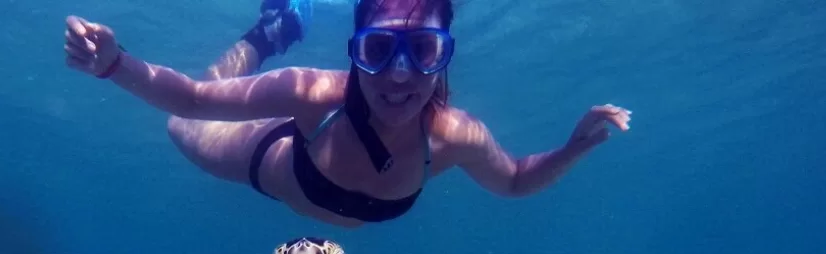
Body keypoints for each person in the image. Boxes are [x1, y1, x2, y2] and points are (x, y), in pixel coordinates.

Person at [63, 0, 632, 228]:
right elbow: (188, 98)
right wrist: (116, 65)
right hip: (269, 158)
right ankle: (269, 33)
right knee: (182, 120)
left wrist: (572, 148)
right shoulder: (313, 95)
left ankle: (275, 28)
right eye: (379, 49)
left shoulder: (453, 136)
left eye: (424, 51)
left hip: (318, 185)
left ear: (444, 56)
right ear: (354, 50)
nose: (401, 75)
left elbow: (511, 180)